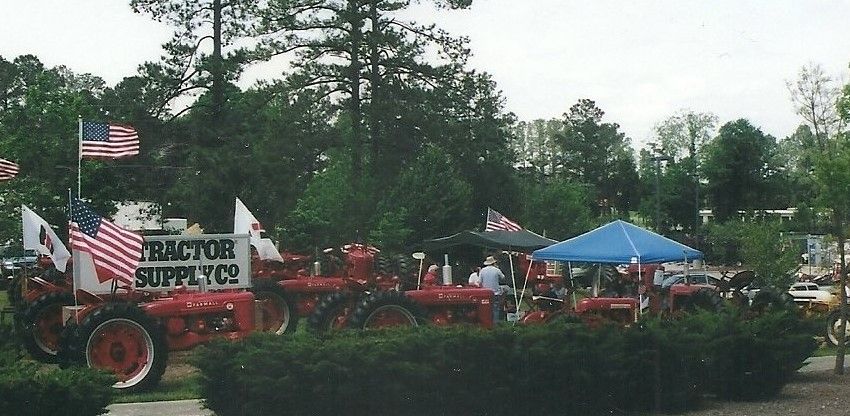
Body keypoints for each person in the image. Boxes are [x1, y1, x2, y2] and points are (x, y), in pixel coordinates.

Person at [479, 256, 505, 323]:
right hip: (495, 293)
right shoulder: (496, 270)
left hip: (485, 293)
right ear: (494, 263)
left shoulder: (482, 270)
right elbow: (503, 277)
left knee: (486, 309)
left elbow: (479, 282)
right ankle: (495, 324)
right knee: (496, 309)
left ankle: (487, 322)